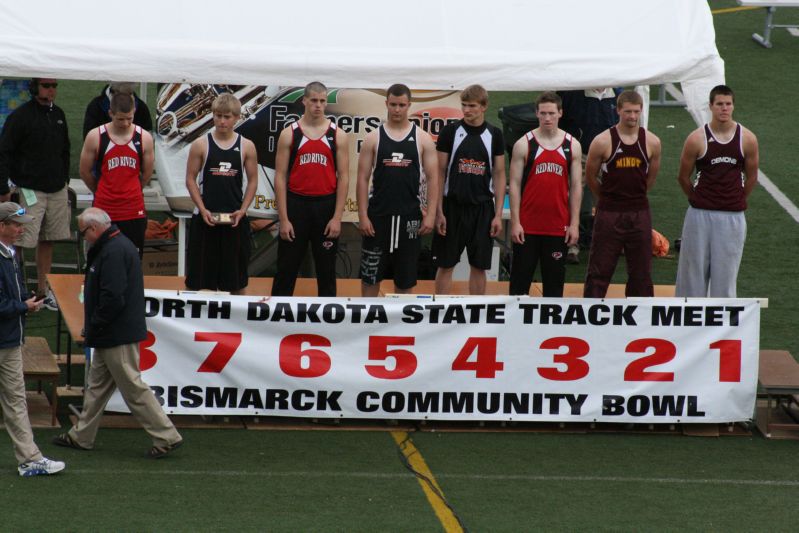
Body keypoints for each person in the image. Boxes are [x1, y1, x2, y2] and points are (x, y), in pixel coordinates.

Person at [53, 208, 183, 458]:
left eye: (83, 233)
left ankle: (167, 436)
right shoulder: (116, 245)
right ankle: (81, 436)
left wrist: (96, 323)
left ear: (93, 228)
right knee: (96, 387)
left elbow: (113, 297)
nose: (84, 239)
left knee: (133, 388)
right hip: (111, 332)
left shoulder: (112, 251)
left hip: (115, 333)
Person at [0, 202, 66, 476]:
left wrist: (26, 301)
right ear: (1, 226)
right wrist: (23, 306)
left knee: (16, 400)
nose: (21, 229)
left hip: (10, 341)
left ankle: (30, 457)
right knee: (16, 400)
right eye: (16, 224)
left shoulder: (11, 254)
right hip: (7, 338)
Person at [675, 85, 759, 297]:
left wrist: (737, 198)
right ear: (711, 106)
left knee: (726, 275)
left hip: (732, 216)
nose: (724, 108)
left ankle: (723, 326)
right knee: (692, 273)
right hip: (700, 215)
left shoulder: (747, 139)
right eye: (719, 104)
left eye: (728, 104)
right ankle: (689, 324)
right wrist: (697, 198)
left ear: (733, 106)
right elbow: (683, 177)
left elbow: (752, 177)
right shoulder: (696, 139)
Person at [357, 84, 439, 297]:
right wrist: (363, 216)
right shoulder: (373, 138)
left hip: (409, 218)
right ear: (386, 104)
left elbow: (433, 178)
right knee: (370, 278)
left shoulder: (422, 138)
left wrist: (430, 215)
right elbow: (362, 178)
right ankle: (366, 324)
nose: (397, 109)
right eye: (393, 104)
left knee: (405, 282)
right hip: (378, 218)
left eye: (402, 105)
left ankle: (401, 328)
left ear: (409, 106)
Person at [271, 82, 349, 297]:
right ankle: (277, 318)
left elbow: (343, 177)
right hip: (297, 205)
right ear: (304, 100)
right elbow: (280, 176)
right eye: (314, 100)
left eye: (322, 101)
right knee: (286, 268)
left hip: (325, 206)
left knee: (326, 269)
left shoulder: (337, 135)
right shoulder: (290, 134)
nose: (318, 105)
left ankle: (328, 320)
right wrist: (284, 218)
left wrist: (337, 217)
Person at [583, 90, 661, 298]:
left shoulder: (652, 142)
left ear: (641, 110)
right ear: (618, 110)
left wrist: (634, 198)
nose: (632, 116)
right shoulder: (602, 141)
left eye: (636, 111)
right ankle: (590, 313)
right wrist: (607, 199)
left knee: (641, 271)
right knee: (600, 268)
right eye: (627, 111)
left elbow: (650, 180)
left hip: (639, 211)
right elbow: (590, 177)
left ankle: (641, 315)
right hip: (609, 212)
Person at [0, 78, 70, 310]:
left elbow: (65, 149)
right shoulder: (20, 116)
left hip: (56, 188)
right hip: (30, 189)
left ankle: (43, 290)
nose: (51, 90)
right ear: (35, 88)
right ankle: (16, 290)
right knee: (19, 239)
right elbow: (5, 152)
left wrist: (64, 178)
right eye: (46, 85)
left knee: (48, 238)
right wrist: (3, 188)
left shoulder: (58, 114)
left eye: (54, 86)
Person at [431, 84, 505, 295]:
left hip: (482, 209)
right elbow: (439, 172)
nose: (467, 110)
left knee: (479, 266)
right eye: (464, 105)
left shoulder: (495, 135)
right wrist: (438, 211)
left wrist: (498, 214)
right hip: (452, 207)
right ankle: (440, 313)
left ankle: (476, 314)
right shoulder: (450, 132)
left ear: (484, 106)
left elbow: (499, 174)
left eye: (472, 106)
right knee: (445, 264)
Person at [508, 92, 583, 297]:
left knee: (554, 288)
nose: (547, 118)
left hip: (558, 226)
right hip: (528, 226)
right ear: (536, 114)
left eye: (551, 113)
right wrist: (515, 222)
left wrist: (574, 224)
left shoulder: (572, 145)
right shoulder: (524, 144)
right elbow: (513, 184)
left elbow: (576, 186)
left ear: (560, 113)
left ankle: (550, 330)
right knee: (519, 287)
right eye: (543, 113)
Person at [184, 93, 258, 294]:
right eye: (217, 116)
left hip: (234, 219)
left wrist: (243, 210)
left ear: (236, 118)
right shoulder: (201, 144)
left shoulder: (246, 146)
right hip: (205, 218)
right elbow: (190, 179)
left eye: (227, 117)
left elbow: (252, 181)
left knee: (236, 281)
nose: (221, 121)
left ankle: (238, 323)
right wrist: (202, 208)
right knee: (199, 282)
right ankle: (194, 324)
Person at [79, 92, 154, 257]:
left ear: (134, 112)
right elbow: (84, 171)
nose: (126, 123)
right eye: (120, 119)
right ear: (110, 114)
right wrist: (100, 190)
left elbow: (147, 172)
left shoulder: (144, 138)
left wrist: (133, 189)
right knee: (100, 259)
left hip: (133, 210)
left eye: (130, 118)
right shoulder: (96, 136)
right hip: (104, 209)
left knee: (132, 260)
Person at [83, 82, 153, 138]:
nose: (125, 124)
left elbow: (147, 136)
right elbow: (89, 137)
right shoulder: (96, 106)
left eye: (130, 94)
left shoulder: (141, 107)